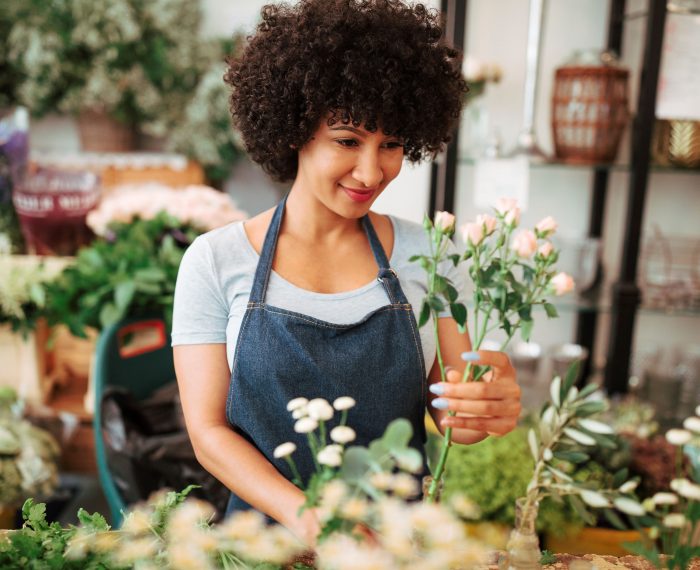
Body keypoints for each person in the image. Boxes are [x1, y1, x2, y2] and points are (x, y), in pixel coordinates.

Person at [172, 0, 521, 547]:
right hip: (263, 548)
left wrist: (487, 408)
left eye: (392, 145)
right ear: (294, 130)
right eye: (347, 140)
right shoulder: (215, 262)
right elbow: (208, 433)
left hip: (396, 547)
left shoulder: (432, 256)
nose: (371, 171)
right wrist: (314, 520)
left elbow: (456, 420)